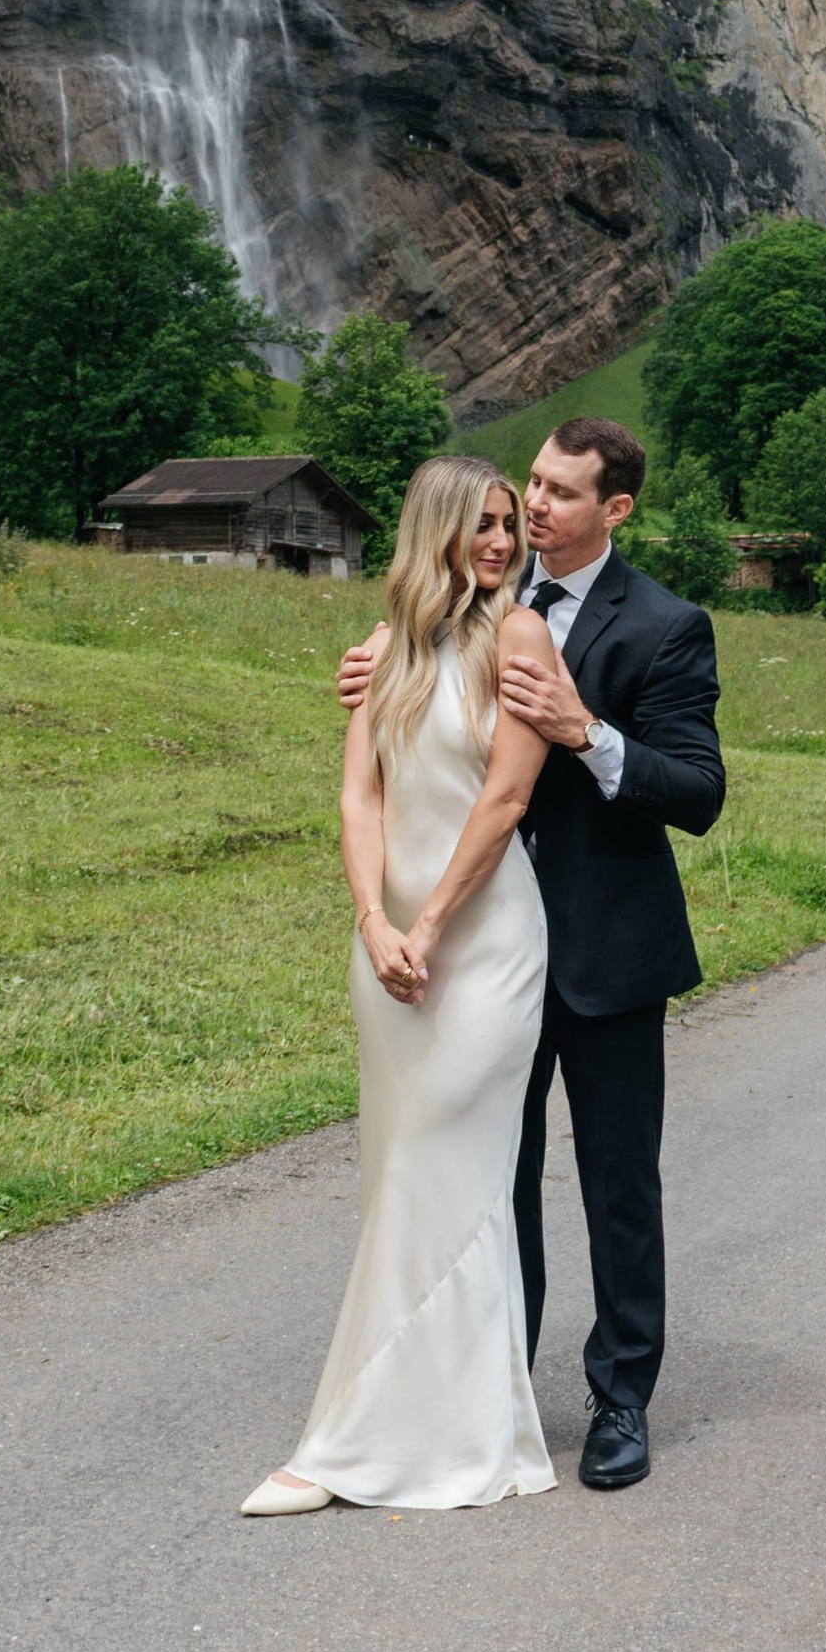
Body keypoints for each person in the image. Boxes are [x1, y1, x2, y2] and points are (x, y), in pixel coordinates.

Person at [337, 417, 726, 1495]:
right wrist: (379, 671)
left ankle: (619, 1400)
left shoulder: (665, 625)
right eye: (530, 487)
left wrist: (585, 730)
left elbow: (697, 791)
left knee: (615, 1184)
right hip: (482, 951)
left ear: (617, 509)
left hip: (606, 945)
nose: (535, 506)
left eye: (559, 492)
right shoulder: (464, 614)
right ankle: (493, 1387)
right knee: (487, 1181)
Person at [241, 458, 559, 1516]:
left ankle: (353, 1442)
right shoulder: (379, 651)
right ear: (435, 529)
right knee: (399, 1176)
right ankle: (446, 1423)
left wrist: (426, 926)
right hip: (389, 955)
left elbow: (505, 798)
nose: (503, 542)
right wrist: (372, 920)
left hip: (486, 945)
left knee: (442, 1166)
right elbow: (356, 795)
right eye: (484, 524)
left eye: (510, 525)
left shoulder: (520, 636)